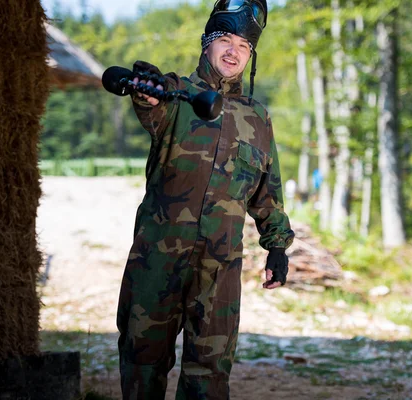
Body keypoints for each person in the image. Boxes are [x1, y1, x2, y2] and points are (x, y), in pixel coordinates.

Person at [115, 1, 294, 399]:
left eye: (245, 46)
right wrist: (147, 91)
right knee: (143, 359)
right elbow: (151, 107)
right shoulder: (176, 94)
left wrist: (277, 247)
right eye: (225, 40)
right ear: (206, 43)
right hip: (157, 260)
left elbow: (268, 188)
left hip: (220, 265)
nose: (234, 52)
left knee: (211, 372)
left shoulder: (257, 117)